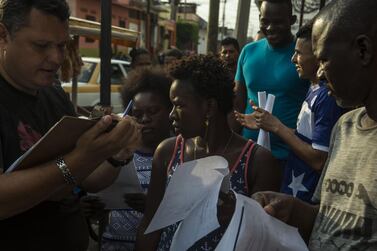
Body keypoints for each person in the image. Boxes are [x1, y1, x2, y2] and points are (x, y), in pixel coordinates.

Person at [0, 1, 141, 250]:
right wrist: (80, 158)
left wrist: (115, 154)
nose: (56, 58)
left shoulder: (54, 95)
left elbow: (88, 179)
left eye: (62, 45)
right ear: (3, 36)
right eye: (41, 45)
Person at [253, 0, 377, 249]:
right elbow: (328, 217)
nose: (319, 74)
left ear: (362, 50)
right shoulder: (345, 126)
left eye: (324, 60)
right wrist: (292, 210)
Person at [135, 55, 281, 250]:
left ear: (209, 107)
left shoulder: (257, 161)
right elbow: (150, 224)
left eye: (179, 105)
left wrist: (237, 214)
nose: (171, 115)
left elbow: (260, 238)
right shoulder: (167, 152)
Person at [235, 21, 344, 203]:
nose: (293, 59)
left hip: (307, 197)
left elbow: (319, 159)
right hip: (294, 188)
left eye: (299, 53)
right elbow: (308, 140)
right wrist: (267, 123)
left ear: (318, 56)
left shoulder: (326, 96)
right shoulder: (314, 88)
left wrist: (277, 127)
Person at [100, 68, 173, 251]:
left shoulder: (180, 154)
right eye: (138, 114)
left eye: (153, 111)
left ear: (170, 110)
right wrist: (92, 208)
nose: (145, 119)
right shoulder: (119, 153)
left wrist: (153, 207)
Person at [233, 0, 310, 164]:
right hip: (248, 156)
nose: (270, 28)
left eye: (278, 22)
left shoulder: (304, 55)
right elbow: (237, 105)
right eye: (265, 21)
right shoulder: (248, 51)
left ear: (292, 20)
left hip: (291, 159)